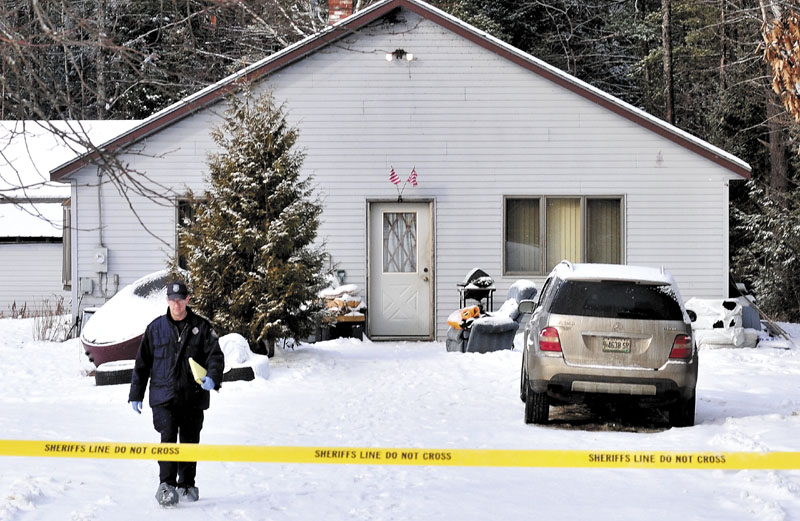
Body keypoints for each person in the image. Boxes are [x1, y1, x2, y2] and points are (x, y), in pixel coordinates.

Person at [128, 280, 224, 507]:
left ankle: (187, 484)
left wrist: (213, 377)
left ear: (188, 300)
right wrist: (136, 394)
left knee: (190, 441)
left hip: (193, 397)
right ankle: (166, 485)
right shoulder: (155, 328)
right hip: (163, 397)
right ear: (167, 300)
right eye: (172, 300)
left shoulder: (201, 327)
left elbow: (215, 356)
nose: (177, 304)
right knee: (168, 439)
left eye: (180, 300)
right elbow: (142, 364)